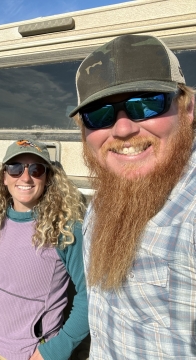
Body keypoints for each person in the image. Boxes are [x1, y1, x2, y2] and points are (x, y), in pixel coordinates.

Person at [68, 34, 196, 358]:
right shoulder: (107, 195)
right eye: (99, 114)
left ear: (188, 107)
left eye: (147, 102)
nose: (123, 129)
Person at [0, 139, 89, 360]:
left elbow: (90, 296)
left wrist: (54, 352)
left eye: (36, 169)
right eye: (15, 168)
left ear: (47, 178)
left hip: (27, 352)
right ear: (4, 177)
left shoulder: (66, 229)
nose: (25, 177)